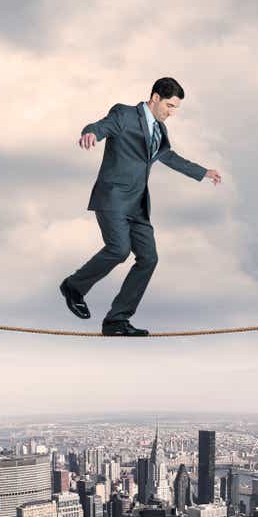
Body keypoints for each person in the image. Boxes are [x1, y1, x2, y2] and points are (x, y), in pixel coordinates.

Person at [60, 77, 222, 336]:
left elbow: (168, 156)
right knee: (119, 249)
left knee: (149, 258)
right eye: (169, 106)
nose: (172, 113)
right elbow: (102, 126)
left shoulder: (160, 130)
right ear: (155, 97)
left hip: (137, 204)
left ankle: (117, 320)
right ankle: (74, 287)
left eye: (175, 108)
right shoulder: (124, 114)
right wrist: (90, 133)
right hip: (113, 197)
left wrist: (203, 172)